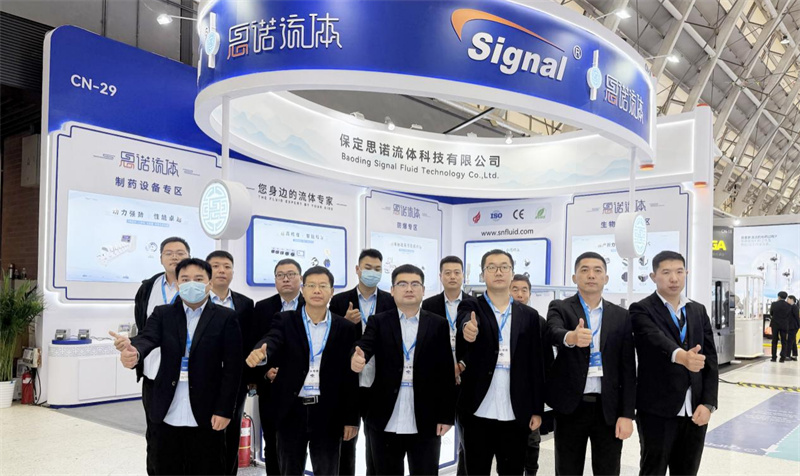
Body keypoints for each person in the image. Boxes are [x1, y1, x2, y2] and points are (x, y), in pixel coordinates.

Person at [112, 258, 242, 475]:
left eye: (198, 279)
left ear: (209, 283)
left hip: (207, 412)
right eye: (185, 279)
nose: (192, 284)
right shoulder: (163, 314)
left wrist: (224, 410)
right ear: (178, 284)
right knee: (165, 466)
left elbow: (233, 368)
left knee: (207, 468)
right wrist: (134, 352)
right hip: (167, 409)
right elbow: (147, 338)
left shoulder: (225, 317)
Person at [246, 266, 360, 475]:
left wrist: (351, 419)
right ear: (303, 290)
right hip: (291, 410)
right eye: (311, 285)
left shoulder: (345, 328)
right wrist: (262, 353)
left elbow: (349, 377)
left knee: (327, 470)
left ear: (332, 291)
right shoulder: (285, 320)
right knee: (289, 469)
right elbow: (272, 339)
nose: (317, 290)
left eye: (323, 286)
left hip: (328, 412)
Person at [351, 264, 455, 475]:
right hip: (385, 415)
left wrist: (446, 415)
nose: (409, 289)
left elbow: (445, 372)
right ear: (392, 290)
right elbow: (364, 347)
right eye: (402, 284)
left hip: (425, 417)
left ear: (423, 290)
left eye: (415, 284)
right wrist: (356, 357)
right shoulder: (378, 321)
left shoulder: (438, 324)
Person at [456, 250, 546, 475]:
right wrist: (468, 328)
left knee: (512, 470)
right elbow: (465, 321)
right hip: (478, 410)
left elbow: (536, 365)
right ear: (482, 274)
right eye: (492, 267)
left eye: (504, 267)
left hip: (515, 411)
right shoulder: (471, 306)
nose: (498, 272)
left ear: (512, 273)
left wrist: (537, 409)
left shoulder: (529, 315)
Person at [546, 252, 636, 475]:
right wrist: (571, 337)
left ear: (606, 278)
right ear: (574, 277)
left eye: (597, 270)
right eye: (584, 270)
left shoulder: (621, 315)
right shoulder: (560, 307)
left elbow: (627, 368)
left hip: (608, 409)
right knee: (567, 469)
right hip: (571, 407)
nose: (591, 275)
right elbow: (553, 331)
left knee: (608, 469)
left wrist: (627, 414)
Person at [630, 251, 718, 476]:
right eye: (666, 272)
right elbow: (654, 339)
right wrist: (681, 356)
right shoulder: (641, 309)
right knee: (653, 469)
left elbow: (710, 360)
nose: (674, 278)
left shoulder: (697, 310)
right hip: (657, 409)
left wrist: (708, 403)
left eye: (679, 272)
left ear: (686, 273)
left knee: (688, 470)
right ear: (653, 276)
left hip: (695, 410)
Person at [329, 249, 397, 475]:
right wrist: (344, 322)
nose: (372, 273)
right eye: (368, 268)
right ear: (357, 270)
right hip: (348, 383)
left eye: (377, 269)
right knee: (346, 443)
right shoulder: (339, 301)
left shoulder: (390, 301)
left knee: (377, 446)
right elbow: (329, 340)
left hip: (380, 382)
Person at [133, 236, 190, 475]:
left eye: (180, 252)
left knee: (189, 438)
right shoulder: (148, 287)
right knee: (156, 436)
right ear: (160, 258)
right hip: (155, 375)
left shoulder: (195, 287)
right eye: (169, 253)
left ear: (189, 257)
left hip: (189, 377)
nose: (174, 257)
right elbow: (143, 328)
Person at [421, 255, 476, 474]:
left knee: (469, 438)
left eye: (457, 272)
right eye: (448, 273)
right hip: (437, 380)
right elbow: (425, 342)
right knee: (432, 437)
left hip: (467, 379)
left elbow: (481, 344)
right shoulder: (429, 304)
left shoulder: (475, 304)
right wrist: (444, 370)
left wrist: (461, 365)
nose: (452, 276)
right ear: (440, 276)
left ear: (463, 276)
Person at [251, 258, 305, 474]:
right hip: (271, 387)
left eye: (291, 274)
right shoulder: (262, 307)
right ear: (275, 280)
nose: (286, 279)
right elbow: (257, 344)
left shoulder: (312, 305)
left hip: (302, 388)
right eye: (280, 275)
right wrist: (264, 372)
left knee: (298, 445)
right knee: (272, 442)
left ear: (301, 278)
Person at [207, 250, 255, 475]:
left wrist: (250, 379)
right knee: (206, 435)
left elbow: (249, 343)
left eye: (226, 266)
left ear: (233, 272)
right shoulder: (197, 301)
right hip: (203, 380)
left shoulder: (245, 304)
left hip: (236, 381)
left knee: (232, 432)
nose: (221, 270)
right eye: (216, 266)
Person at [509, 274, 555, 476]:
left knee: (532, 440)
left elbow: (546, 360)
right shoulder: (500, 318)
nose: (519, 294)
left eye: (524, 290)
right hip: (504, 391)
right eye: (515, 289)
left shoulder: (537, 320)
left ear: (529, 293)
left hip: (529, 393)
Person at [769, 291, 794, 362]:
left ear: (779, 296)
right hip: (784, 325)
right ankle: (782, 358)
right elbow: (789, 316)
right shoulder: (789, 306)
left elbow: (771, 313)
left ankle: (774, 357)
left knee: (774, 340)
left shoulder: (774, 304)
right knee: (784, 341)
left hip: (775, 324)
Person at [787, 295, 799, 360]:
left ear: (791, 300)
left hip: (793, 326)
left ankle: (787, 355)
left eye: (788, 299)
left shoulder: (794, 307)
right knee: (793, 341)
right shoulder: (791, 307)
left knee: (790, 341)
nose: (787, 300)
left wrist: (798, 325)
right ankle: (794, 355)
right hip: (791, 326)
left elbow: (797, 317)